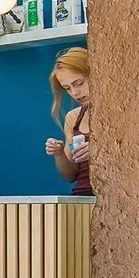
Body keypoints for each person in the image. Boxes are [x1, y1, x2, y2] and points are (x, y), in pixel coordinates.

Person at [44, 47, 93, 196]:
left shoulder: (121, 112)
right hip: (82, 197)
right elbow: (70, 175)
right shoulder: (73, 117)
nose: (75, 93)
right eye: (67, 88)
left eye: (79, 83)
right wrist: (58, 154)